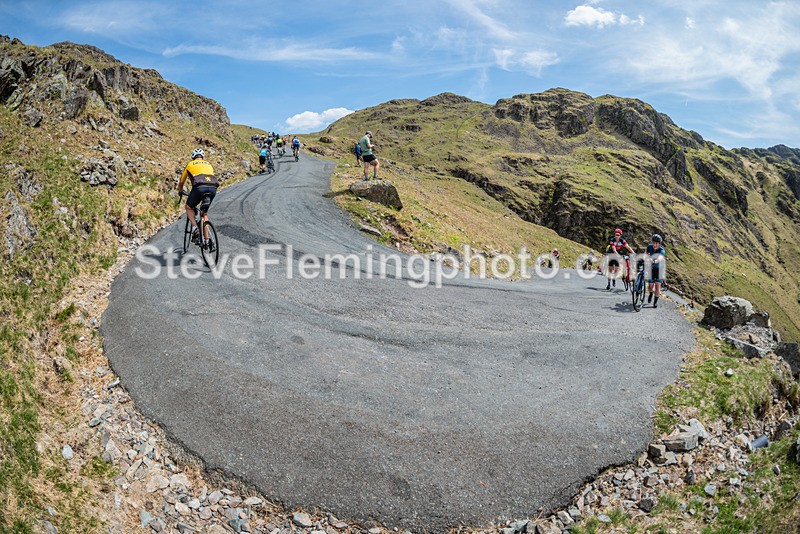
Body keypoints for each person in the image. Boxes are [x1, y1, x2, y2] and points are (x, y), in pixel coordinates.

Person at [178, 148, 218, 243]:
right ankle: (207, 240)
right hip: (213, 188)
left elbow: (181, 182)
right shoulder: (208, 164)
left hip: (199, 188)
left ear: (193, 157)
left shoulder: (190, 164)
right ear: (202, 157)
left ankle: (195, 228)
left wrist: (180, 191)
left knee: (188, 207)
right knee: (204, 214)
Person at [647, 234, 666, 308]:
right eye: (653, 243)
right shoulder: (649, 247)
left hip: (659, 269)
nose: (654, 244)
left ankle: (655, 302)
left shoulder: (662, 251)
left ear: (659, 244)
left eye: (656, 243)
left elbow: (659, 259)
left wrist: (654, 261)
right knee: (650, 287)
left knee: (657, 286)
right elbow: (646, 253)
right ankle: (651, 293)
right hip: (652, 269)